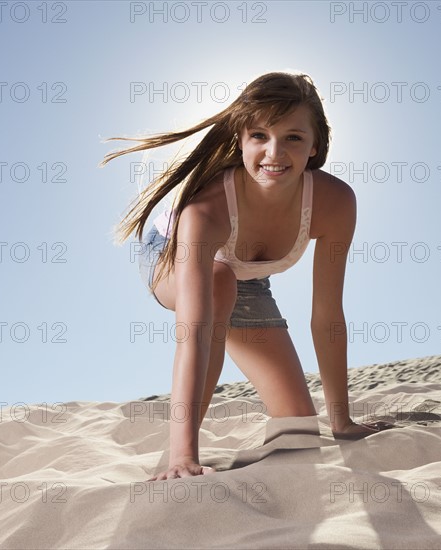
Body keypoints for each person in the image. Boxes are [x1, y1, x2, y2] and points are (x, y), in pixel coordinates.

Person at [99, 72, 391, 482]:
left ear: (315, 145)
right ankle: (182, 449)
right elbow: (196, 333)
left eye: (292, 137)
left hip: (245, 278)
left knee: (299, 434)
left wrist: (341, 422)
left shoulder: (336, 203)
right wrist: (182, 457)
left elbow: (327, 316)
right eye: (259, 135)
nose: (274, 152)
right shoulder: (205, 212)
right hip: (171, 251)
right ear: (241, 140)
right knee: (220, 283)